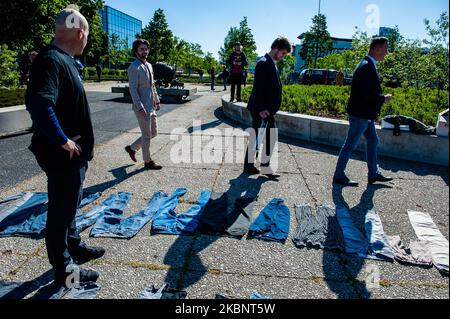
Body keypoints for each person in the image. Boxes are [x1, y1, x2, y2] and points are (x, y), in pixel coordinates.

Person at [25, 8, 104, 288]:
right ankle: (65, 269)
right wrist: (63, 140)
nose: (87, 41)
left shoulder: (63, 59)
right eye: (87, 36)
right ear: (80, 33)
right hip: (62, 155)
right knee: (60, 211)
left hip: (73, 155)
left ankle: (75, 246)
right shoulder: (51, 61)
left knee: (70, 205)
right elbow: (38, 103)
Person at [333, 37, 394, 187]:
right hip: (361, 115)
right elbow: (365, 95)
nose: (387, 52)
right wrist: (383, 99)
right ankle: (339, 175)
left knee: (373, 141)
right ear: (376, 49)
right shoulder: (366, 66)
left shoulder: (366, 64)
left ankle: (373, 174)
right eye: (385, 49)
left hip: (365, 115)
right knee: (350, 145)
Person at [243, 37, 292, 180]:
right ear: (276, 48)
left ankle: (250, 165)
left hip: (265, 109)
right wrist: (262, 108)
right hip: (262, 109)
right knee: (267, 136)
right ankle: (263, 166)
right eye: (282, 53)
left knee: (260, 136)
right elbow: (259, 88)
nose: (283, 57)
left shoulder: (270, 62)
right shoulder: (263, 63)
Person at [125, 39, 163, 170]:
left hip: (151, 106)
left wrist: (157, 100)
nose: (145, 51)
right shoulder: (133, 67)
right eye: (142, 49)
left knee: (154, 133)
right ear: (136, 51)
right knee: (147, 136)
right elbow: (133, 89)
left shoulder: (149, 65)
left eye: (146, 49)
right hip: (141, 108)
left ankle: (132, 148)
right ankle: (148, 162)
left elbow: (152, 85)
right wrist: (140, 107)